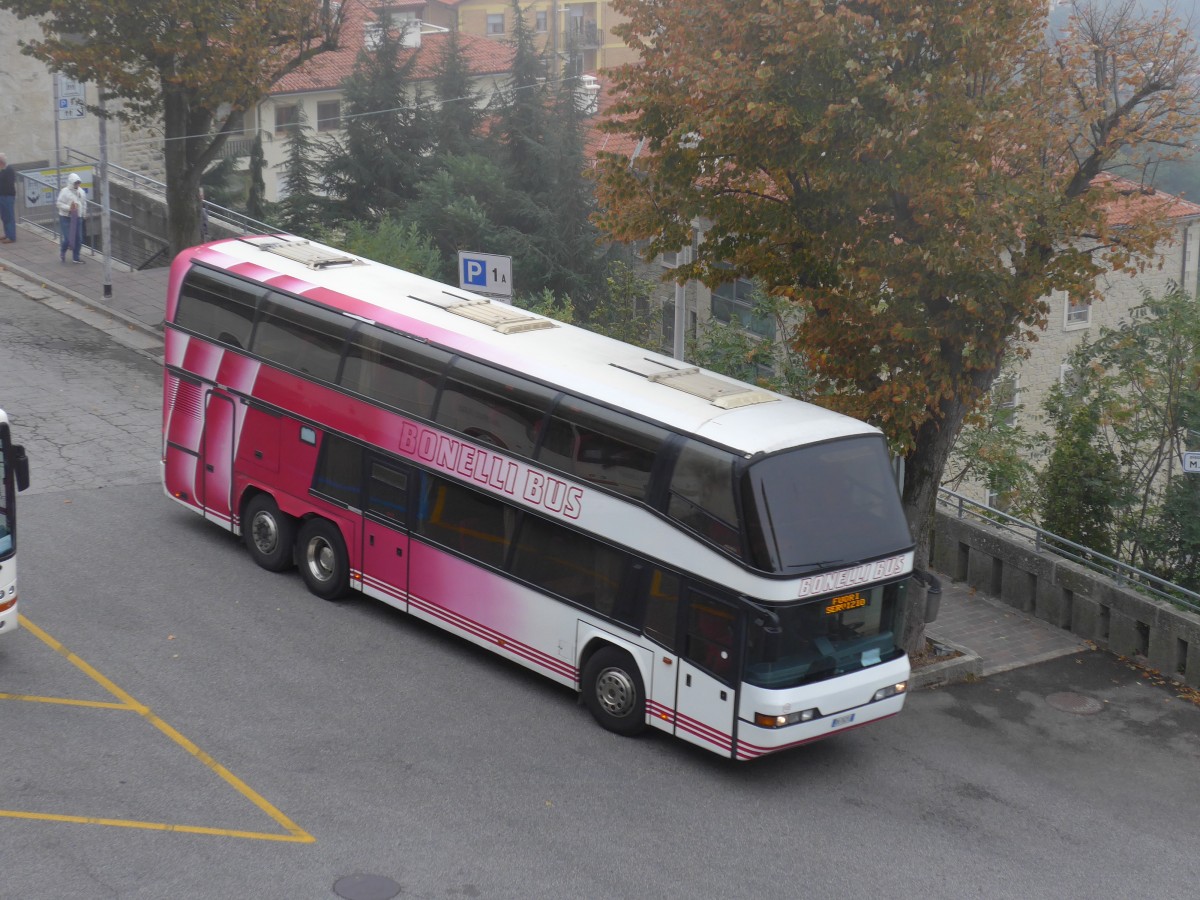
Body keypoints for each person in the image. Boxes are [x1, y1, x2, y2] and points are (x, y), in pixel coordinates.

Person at [56, 172, 87, 263]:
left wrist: (84, 214)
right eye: (75, 183)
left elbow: (84, 203)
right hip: (66, 217)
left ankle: (76, 257)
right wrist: (69, 208)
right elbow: (58, 203)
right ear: (71, 183)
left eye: (78, 183)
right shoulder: (64, 191)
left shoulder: (81, 192)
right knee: (68, 238)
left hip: (78, 217)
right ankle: (62, 251)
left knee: (78, 238)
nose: (77, 185)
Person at [0, 153, 16, 244]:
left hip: (7, 196)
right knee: (4, 216)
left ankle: (11, 236)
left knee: (9, 216)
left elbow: (9, 184)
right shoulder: (2, 170)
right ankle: (7, 234)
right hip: (2, 196)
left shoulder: (9, 170)